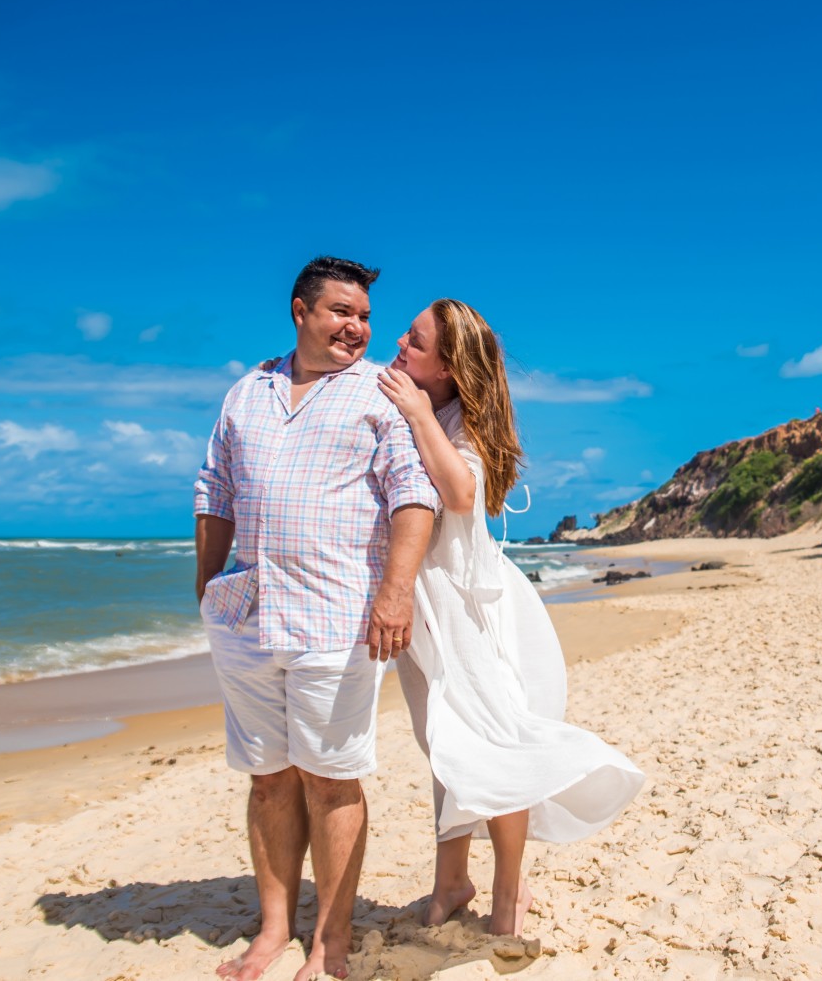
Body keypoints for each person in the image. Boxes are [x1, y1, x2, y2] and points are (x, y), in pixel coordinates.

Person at [194, 256, 440, 981]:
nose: (356, 328)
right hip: (246, 612)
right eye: (341, 312)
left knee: (331, 779)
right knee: (269, 779)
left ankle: (331, 939)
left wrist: (395, 593)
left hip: (337, 616)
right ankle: (274, 929)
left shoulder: (380, 390)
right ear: (300, 311)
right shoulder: (247, 391)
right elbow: (214, 490)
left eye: (364, 316)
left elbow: (413, 494)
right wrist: (206, 584)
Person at [377, 299, 645, 937]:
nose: (400, 343)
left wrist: (418, 414)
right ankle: (451, 880)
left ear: (448, 368)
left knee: (496, 746)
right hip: (423, 605)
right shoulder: (413, 401)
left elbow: (461, 493)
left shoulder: (458, 422)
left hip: (465, 607)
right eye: (407, 333)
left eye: (416, 341)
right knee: (444, 744)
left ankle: (507, 896)